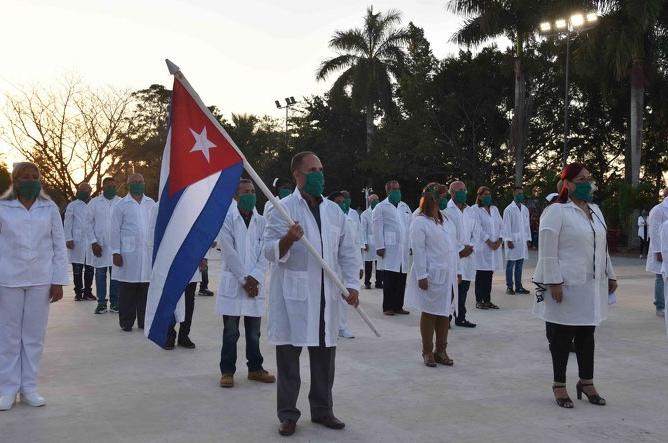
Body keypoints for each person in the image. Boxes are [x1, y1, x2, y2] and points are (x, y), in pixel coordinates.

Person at [263, 151, 360, 437]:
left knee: (324, 359)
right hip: (294, 297)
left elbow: (348, 250)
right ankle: (288, 415)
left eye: (321, 168)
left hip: (326, 295)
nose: (319, 174)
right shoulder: (280, 208)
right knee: (289, 361)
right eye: (312, 170)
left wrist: (352, 284)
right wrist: (287, 240)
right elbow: (268, 250)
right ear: (297, 175)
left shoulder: (333, 211)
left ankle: (322, 410)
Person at [533, 163, 617, 409]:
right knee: (560, 336)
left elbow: (602, 248)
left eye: (589, 178)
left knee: (586, 334)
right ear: (567, 184)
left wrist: (610, 275)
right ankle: (559, 385)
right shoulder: (556, 211)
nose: (587, 183)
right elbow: (547, 251)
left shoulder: (596, 211)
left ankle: (586, 381)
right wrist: (553, 281)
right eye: (581, 179)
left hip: (590, 286)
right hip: (565, 285)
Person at [0, 162, 68, 411]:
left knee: (33, 337)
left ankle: (29, 387)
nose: (30, 181)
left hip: (41, 279)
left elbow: (59, 245)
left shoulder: (49, 208)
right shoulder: (3, 207)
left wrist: (59, 280)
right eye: (25, 177)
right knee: (8, 336)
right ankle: (7, 389)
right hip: (8, 279)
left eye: (34, 177)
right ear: (15, 182)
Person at [218, 179, 275, 387]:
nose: (250, 195)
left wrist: (255, 277)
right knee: (231, 331)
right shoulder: (226, 219)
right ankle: (227, 371)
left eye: (252, 191)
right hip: (235, 282)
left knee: (254, 332)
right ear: (235, 196)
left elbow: (265, 253)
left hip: (254, 284)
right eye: (245, 192)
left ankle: (255, 369)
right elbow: (229, 252)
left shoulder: (262, 222)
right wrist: (245, 279)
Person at [406, 183, 458, 367]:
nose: (446, 199)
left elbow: (452, 248)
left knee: (444, 313)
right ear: (434, 198)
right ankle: (427, 351)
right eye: (443, 196)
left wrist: (457, 272)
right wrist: (421, 275)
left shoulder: (445, 219)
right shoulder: (420, 221)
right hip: (431, 274)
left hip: (447, 274)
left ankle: (441, 350)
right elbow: (418, 250)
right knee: (429, 313)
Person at [110, 173, 156, 331]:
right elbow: (114, 230)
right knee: (128, 290)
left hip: (147, 252)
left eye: (140, 182)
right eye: (134, 182)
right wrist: (116, 252)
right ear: (128, 185)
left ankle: (144, 321)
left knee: (145, 289)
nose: (138, 184)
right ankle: (126, 322)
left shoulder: (151, 204)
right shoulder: (121, 205)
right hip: (128, 254)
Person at [373, 180, 411, 315]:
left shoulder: (404, 207)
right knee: (389, 278)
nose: (397, 192)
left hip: (403, 248)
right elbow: (377, 228)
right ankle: (388, 307)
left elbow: (409, 227)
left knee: (401, 278)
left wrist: (410, 245)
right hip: (389, 248)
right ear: (388, 191)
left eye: (398, 189)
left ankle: (398, 306)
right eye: (394, 189)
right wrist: (380, 246)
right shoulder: (381, 207)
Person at [89, 177, 122, 314]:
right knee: (100, 274)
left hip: (116, 246)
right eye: (108, 186)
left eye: (113, 186)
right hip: (100, 246)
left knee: (115, 275)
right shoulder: (94, 203)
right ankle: (101, 303)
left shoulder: (121, 202)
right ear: (103, 187)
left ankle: (115, 303)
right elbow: (87, 223)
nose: (111, 189)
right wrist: (93, 242)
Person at [445, 181, 476, 328]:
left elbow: (476, 232)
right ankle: (446, 318)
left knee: (464, 288)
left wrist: (471, 247)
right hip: (454, 255)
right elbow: (447, 234)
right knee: (451, 289)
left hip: (469, 255)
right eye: (459, 190)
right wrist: (459, 250)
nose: (462, 192)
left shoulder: (470, 210)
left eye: (464, 189)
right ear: (451, 193)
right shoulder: (447, 211)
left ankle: (461, 317)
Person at [470, 186, 503, 310]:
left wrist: (499, 240)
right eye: (485, 194)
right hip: (483, 247)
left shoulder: (494, 209)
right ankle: (479, 300)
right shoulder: (475, 210)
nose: (487, 196)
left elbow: (501, 225)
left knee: (489, 274)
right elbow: (477, 228)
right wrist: (488, 241)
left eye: (489, 194)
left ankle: (487, 300)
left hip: (495, 247)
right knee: (481, 274)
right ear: (479, 196)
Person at [64, 182, 95, 301]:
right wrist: (68, 238)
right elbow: (67, 223)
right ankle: (78, 292)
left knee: (90, 269)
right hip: (77, 241)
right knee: (77, 268)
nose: (81, 192)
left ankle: (88, 292)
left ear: (90, 190)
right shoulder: (72, 205)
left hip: (91, 241)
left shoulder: (94, 204)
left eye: (84, 189)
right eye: (79, 189)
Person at [502, 185, 532, 295]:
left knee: (520, 264)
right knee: (511, 264)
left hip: (522, 241)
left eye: (522, 193)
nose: (521, 195)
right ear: (513, 194)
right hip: (512, 241)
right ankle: (509, 286)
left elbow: (527, 225)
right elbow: (506, 226)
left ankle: (519, 286)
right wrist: (508, 240)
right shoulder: (508, 209)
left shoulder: (525, 209)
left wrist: (528, 239)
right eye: (518, 193)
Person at [646, 188, 668, 317]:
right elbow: (654, 232)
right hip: (661, 249)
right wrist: (658, 252)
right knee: (660, 276)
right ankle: (660, 306)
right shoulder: (658, 210)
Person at [361, 194, 383, 289]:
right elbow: (363, 230)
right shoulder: (365, 214)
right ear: (370, 201)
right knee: (368, 264)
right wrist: (364, 242)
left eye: (377, 199)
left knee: (379, 264)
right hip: (369, 242)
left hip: (379, 241)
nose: (376, 201)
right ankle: (367, 282)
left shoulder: (381, 212)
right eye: (374, 199)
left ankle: (379, 282)